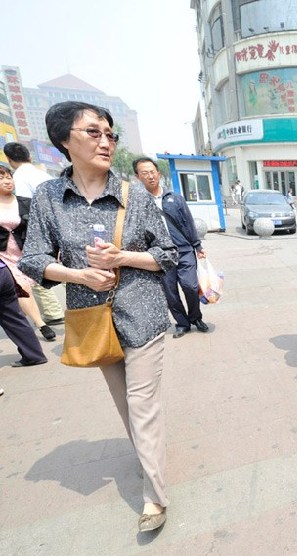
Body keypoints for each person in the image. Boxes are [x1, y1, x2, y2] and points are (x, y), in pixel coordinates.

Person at [20, 101, 178, 533]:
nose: (106, 141)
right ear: (62, 141)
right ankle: (149, 459)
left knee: (143, 404)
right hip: (93, 319)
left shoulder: (134, 194)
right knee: (124, 402)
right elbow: (34, 260)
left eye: (110, 134)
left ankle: (154, 498)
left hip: (142, 314)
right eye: (93, 133)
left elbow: (165, 254)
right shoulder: (50, 198)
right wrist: (79, 274)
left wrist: (123, 256)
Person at [134, 157, 209, 339]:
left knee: (190, 286)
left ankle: (195, 317)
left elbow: (188, 223)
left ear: (158, 174)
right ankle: (182, 323)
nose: (150, 176)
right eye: (145, 173)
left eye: (153, 172)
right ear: (137, 177)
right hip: (159, 255)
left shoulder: (175, 198)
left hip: (183, 250)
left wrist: (197, 246)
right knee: (170, 293)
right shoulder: (138, 204)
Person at [3, 142, 66, 326]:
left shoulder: (20, 177)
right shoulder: (41, 172)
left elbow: (24, 212)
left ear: (10, 159)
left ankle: (53, 313)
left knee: (36, 269)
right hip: (61, 223)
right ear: (29, 156)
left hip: (42, 229)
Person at [0, 165, 56, 342]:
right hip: (4, 253)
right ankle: (41, 324)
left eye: (9, 176)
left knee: (34, 283)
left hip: (26, 249)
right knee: (21, 285)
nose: (7, 180)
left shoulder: (25, 202)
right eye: (1, 178)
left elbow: (41, 226)